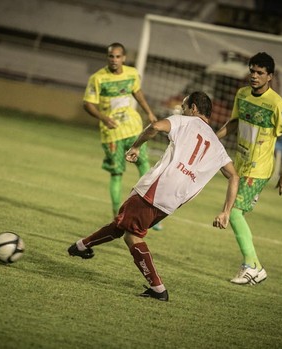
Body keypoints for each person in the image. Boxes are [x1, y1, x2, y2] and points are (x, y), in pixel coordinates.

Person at [68, 91, 239, 301]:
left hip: (158, 187)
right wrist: (226, 211)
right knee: (125, 222)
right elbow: (234, 176)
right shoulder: (217, 145)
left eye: (184, 107)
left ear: (194, 108)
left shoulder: (185, 121)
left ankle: (158, 288)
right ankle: (81, 246)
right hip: (175, 199)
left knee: (132, 235)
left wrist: (136, 146)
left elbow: (156, 126)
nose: (182, 111)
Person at [216, 52, 282, 285]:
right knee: (235, 212)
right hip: (240, 166)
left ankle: (253, 266)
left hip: (260, 169)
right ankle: (252, 266)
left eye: (260, 73)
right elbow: (234, 123)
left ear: (269, 76)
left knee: (233, 212)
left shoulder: (276, 103)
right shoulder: (242, 95)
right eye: (252, 71)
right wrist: (212, 138)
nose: (254, 76)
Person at [83, 42, 160, 227]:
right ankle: (118, 215)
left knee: (145, 167)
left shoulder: (132, 73)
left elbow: (137, 92)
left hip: (133, 128)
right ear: (107, 57)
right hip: (112, 133)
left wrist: (149, 112)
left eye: (118, 56)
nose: (114, 60)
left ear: (124, 58)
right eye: (111, 56)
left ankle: (149, 214)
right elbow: (87, 103)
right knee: (117, 174)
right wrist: (103, 118)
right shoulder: (98, 78)